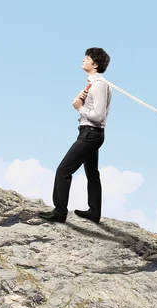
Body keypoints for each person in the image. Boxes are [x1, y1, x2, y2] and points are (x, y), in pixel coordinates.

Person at [39, 48, 112, 224]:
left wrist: (78, 106)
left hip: (90, 134)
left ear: (95, 64)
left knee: (63, 170)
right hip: (90, 133)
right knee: (92, 173)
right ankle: (94, 212)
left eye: (87, 58)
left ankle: (59, 211)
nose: (83, 60)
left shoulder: (100, 85)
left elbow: (99, 116)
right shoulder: (94, 84)